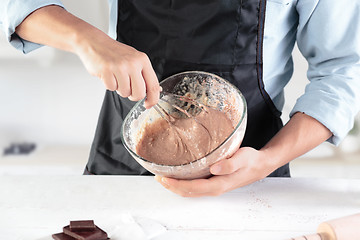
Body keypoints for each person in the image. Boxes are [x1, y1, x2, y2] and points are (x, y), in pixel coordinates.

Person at [1, 0, 359, 197]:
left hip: (249, 174)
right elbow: (17, 6)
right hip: (120, 172)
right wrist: (86, 39)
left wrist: (267, 160)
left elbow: (342, 71)